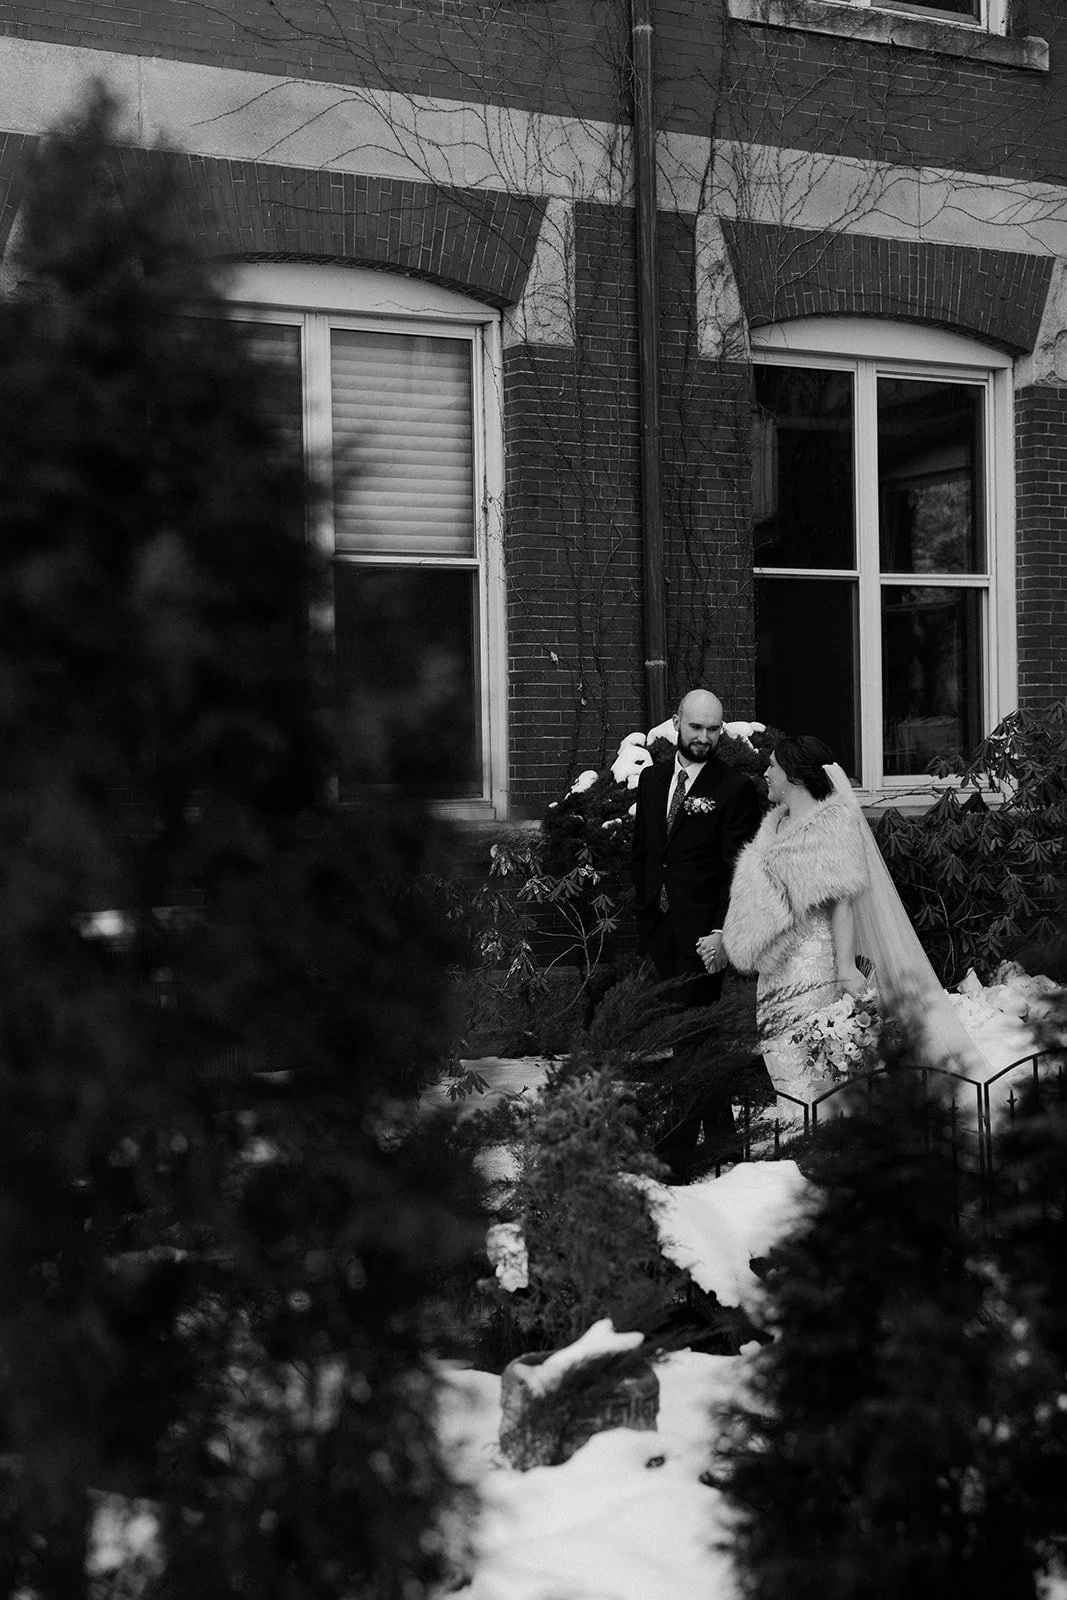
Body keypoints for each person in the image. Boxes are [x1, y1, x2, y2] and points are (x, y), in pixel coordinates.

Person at [630, 688, 762, 1175]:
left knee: (688, 1036)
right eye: (695, 727)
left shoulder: (734, 789)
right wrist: (645, 913)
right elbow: (645, 853)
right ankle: (725, 1144)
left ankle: (676, 1152)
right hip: (660, 929)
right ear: (677, 724)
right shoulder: (651, 780)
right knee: (697, 1038)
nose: (704, 738)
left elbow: (737, 870)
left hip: (704, 937)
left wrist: (722, 933)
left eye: (713, 729)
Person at [722, 735, 870, 1121]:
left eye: (773, 766)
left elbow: (843, 902)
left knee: (810, 1067)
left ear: (796, 776)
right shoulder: (774, 824)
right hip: (773, 971)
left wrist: (845, 967)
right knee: (779, 1062)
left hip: (811, 968)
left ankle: (813, 1149)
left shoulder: (833, 824)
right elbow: (761, 901)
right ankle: (793, 1144)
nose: (766, 773)